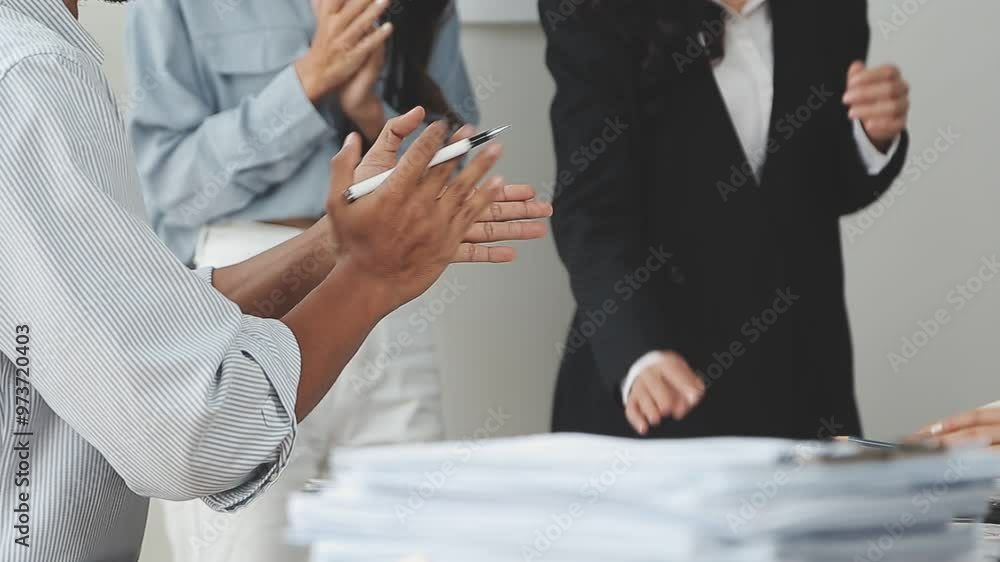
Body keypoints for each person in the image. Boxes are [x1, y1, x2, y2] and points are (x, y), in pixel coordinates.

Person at [0, 0, 550, 560]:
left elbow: (454, 163)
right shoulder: (30, 72)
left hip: (367, 288)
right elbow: (196, 432)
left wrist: (363, 129)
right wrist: (305, 86)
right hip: (267, 267)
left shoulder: (38, 61)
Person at [542, 0, 911, 439]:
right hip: (655, 388)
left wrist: (872, 135)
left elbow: (817, 187)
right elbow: (590, 210)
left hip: (803, 382)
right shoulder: (595, 10)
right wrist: (638, 352)